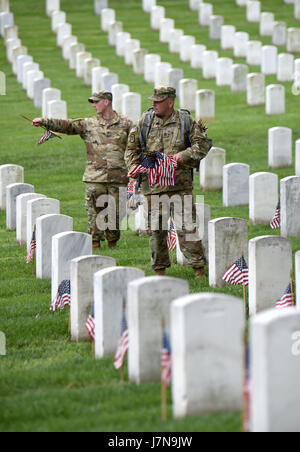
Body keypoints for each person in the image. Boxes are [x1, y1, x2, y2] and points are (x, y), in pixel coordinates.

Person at [125, 86, 211, 278]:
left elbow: (202, 145)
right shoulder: (145, 122)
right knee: (156, 231)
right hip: (153, 186)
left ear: (170, 102)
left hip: (180, 185)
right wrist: (132, 167)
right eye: (153, 101)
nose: (154, 104)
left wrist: (182, 156)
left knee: (187, 228)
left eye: (158, 101)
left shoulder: (185, 121)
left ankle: (198, 270)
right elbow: (131, 148)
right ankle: (159, 272)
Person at [32, 91, 133, 250]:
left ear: (106, 102)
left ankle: (113, 243)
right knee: (94, 213)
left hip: (118, 177)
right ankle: (95, 244)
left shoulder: (126, 124)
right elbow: (67, 125)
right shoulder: (88, 123)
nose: (94, 105)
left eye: (96, 101)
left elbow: (135, 146)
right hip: (94, 177)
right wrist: (45, 121)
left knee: (116, 213)